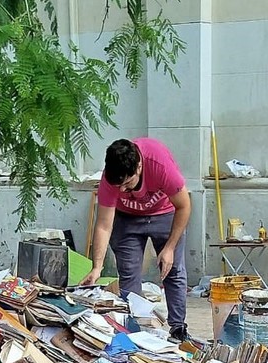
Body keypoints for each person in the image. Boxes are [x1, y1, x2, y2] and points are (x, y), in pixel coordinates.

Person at [80, 137, 191, 341]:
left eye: (127, 183)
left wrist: (169, 248)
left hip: (164, 213)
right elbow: (104, 225)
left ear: (139, 166)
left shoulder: (159, 165)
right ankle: (136, 333)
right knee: (129, 275)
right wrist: (97, 267)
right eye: (118, 185)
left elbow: (184, 205)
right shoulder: (110, 178)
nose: (122, 190)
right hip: (127, 219)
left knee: (172, 271)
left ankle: (178, 328)